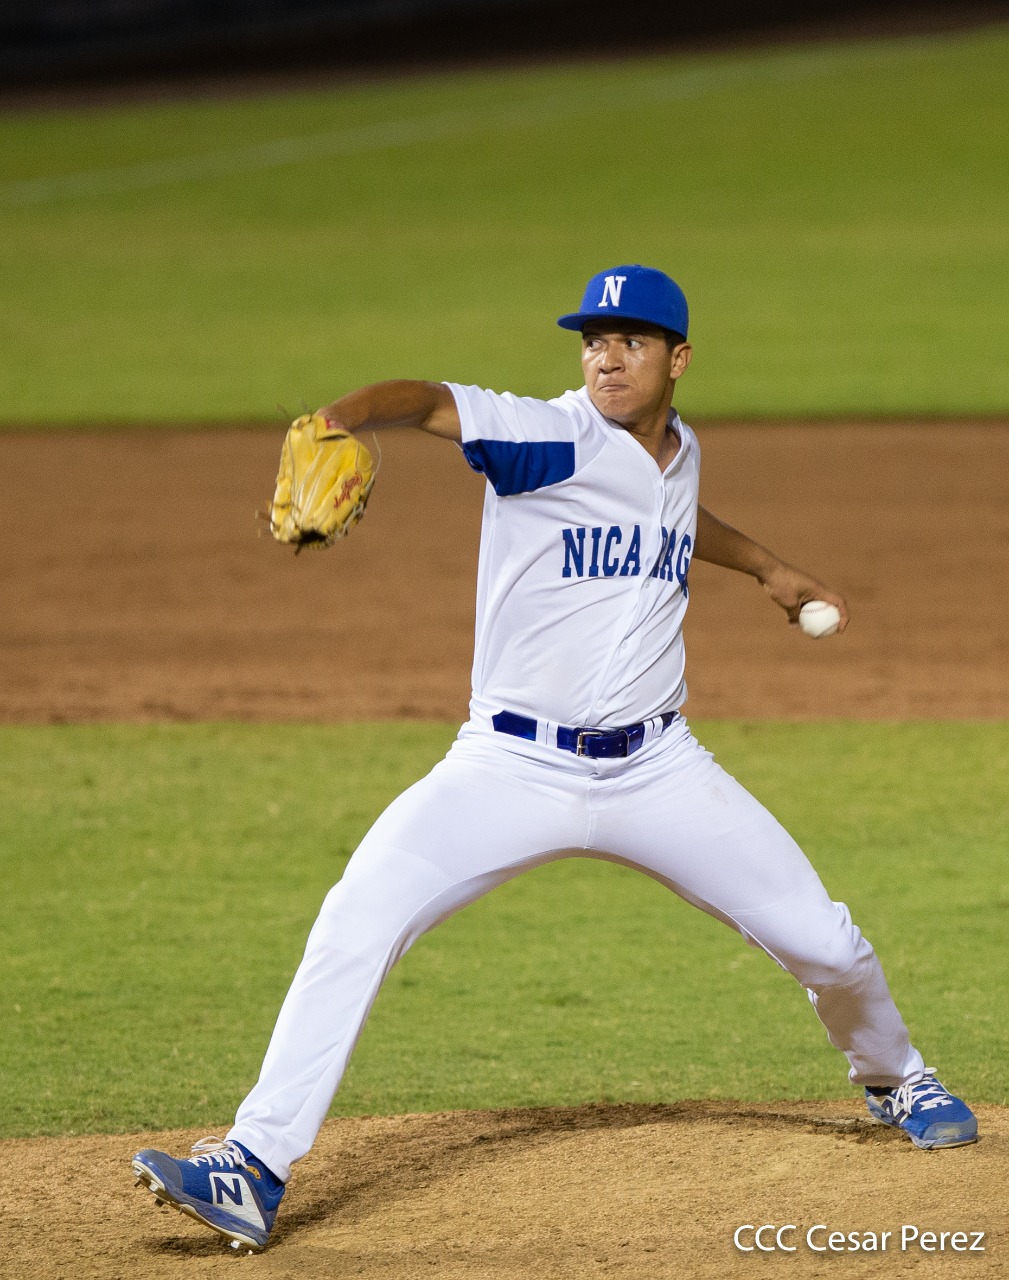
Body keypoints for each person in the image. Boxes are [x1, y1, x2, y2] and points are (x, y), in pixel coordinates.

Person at [132, 265, 977, 1253]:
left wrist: (768, 567)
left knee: (826, 943)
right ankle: (252, 1164)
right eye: (592, 340)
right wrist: (337, 418)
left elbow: (669, 511)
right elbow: (428, 402)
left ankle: (895, 1076)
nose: (606, 358)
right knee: (357, 916)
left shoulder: (679, 450)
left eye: (630, 341)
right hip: (507, 768)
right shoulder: (546, 435)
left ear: (677, 360)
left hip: (657, 770)